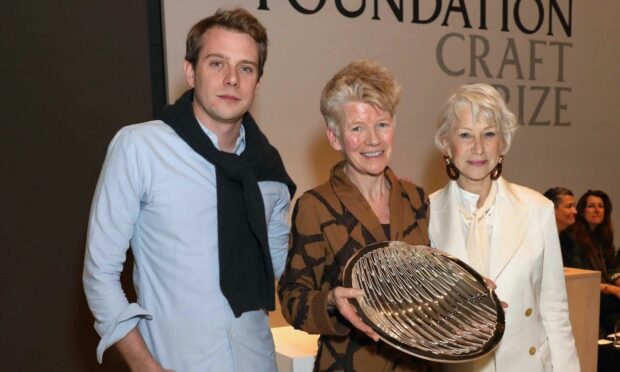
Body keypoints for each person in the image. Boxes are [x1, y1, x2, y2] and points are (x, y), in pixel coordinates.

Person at [83, 8, 295, 371]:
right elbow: (99, 275)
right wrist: (145, 366)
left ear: (257, 84)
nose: (232, 79)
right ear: (189, 71)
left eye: (246, 68)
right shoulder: (141, 148)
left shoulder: (268, 169)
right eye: (217, 64)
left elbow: (287, 272)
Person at [278, 60, 434, 371]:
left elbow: (426, 287)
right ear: (335, 138)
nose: (373, 140)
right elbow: (292, 299)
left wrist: (464, 289)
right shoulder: (315, 206)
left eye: (382, 125)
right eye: (357, 128)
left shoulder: (416, 199)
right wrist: (332, 301)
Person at [428, 83, 580, 371]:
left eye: (489, 134)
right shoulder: (426, 213)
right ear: (447, 144)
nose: (477, 147)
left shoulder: (538, 209)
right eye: (465, 135)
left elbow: (555, 310)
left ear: (503, 143)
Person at [562, 190, 620, 335]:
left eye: (601, 206)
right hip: (586, 294)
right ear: (582, 210)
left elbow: (612, 268)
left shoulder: (603, 236)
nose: (597, 210)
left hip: (603, 294)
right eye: (591, 206)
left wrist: (618, 281)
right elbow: (583, 278)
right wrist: (613, 290)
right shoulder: (572, 237)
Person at [543, 187, 578, 262]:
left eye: (574, 206)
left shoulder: (568, 239)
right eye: (569, 206)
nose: (575, 211)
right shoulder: (539, 239)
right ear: (552, 209)